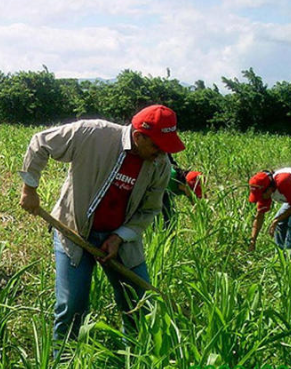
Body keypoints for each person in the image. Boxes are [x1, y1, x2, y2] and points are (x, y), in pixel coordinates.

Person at [19, 104, 185, 343]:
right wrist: (29, 189)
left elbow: (149, 209)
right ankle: (64, 360)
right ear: (138, 136)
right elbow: (40, 142)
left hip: (122, 239)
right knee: (72, 306)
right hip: (73, 230)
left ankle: (134, 357)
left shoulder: (160, 165)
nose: (161, 154)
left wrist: (120, 237)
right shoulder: (92, 134)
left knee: (138, 303)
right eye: (157, 146)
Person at [161, 159, 203, 230]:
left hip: (166, 192)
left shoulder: (185, 187)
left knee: (171, 218)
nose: (194, 196)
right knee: (168, 217)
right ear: (186, 186)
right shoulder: (168, 177)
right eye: (194, 193)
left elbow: (197, 205)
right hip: (153, 189)